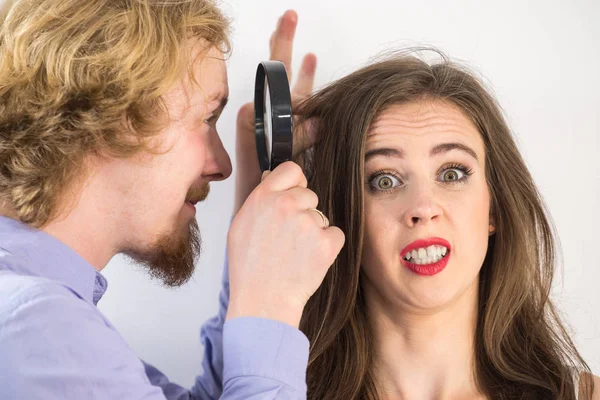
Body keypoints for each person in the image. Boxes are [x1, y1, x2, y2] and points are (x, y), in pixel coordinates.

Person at [0, 0, 344, 399]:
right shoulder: (37, 328)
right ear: (115, 114)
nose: (223, 165)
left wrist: (259, 226)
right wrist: (272, 305)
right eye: (208, 118)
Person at [231, 51, 600, 399]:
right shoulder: (278, 388)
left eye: (453, 173)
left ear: (495, 209)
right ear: (342, 214)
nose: (423, 208)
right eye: (384, 180)